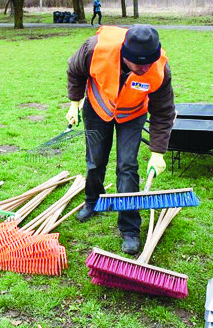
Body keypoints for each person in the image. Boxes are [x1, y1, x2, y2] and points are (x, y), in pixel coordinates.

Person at [65, 25, 176, 254]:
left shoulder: (159, 69)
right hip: (98, 107)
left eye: (149, 63)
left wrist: (157, 152)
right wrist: (75, 102)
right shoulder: (96, 48)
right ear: (126, 56)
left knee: (127, 166)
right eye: (140, 64)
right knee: (95, 161)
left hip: (132, 114)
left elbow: (163, 111)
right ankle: (93, 202)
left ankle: (130, 229)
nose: (146, 68)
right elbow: (75, 69)